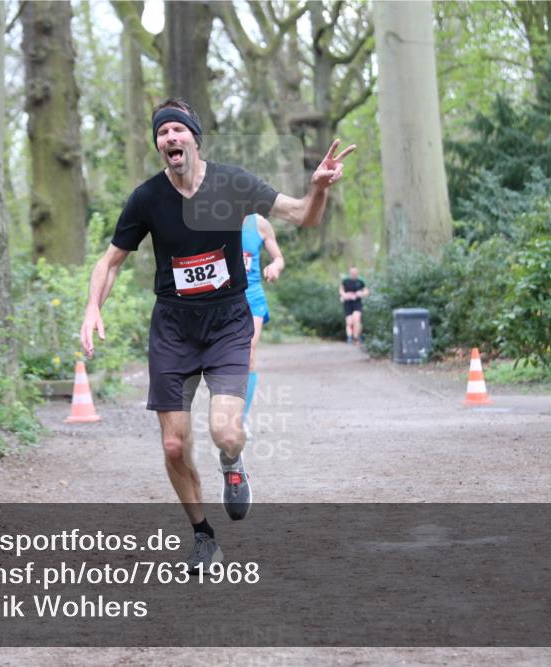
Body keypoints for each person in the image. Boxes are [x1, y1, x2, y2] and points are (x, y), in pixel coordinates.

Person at [79, 98, 354, 571]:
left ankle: (232, 463)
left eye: (177, 130)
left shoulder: (232, 182)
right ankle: (203, 535)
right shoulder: (147, 199)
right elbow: (110, 261)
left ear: (194, 136)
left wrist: (318, 188)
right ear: (159, 145)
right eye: (162, 133)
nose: (170, 138)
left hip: (228, 322)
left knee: (226, 431)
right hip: (173, 328)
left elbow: (302, 215)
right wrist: (91, 308)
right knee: (172, 443)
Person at [241, 213, 284, 434]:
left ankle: (241, 419)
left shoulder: (259, 223)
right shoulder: (210, 221)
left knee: (248, 352)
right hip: (222, 296)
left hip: (252, 295)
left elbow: (278, 257)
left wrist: (275, 267)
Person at [339, 267, 368, 346]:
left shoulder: (360, 281)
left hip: (357, 303)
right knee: (349, 322)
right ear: (350, 272)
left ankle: (356, 337)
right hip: (348, 303)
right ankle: (350, 337)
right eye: (352, 272)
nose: (354, 273)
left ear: (357, 272)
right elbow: (341, 290)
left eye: (355, 272)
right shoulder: (345, 281)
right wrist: (344, 295)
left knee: (356, 319)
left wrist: (361, 294)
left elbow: (366, 291)